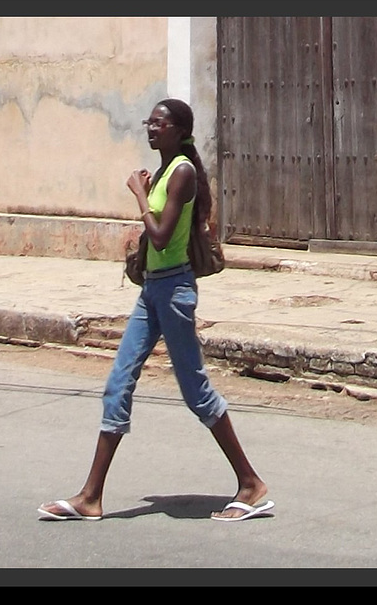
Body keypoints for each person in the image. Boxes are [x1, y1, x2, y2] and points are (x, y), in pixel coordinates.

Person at [38, 99, 273, 522]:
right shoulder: (167, 170)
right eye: (149, 122)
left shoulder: (181, 171)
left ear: (179, 131)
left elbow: (162, 237)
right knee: (118, 383)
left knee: (196, 392)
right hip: (153, 292)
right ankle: (90, 497)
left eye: (159, 123)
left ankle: (251, 484)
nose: (150, 128)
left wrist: (140, 196)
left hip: (175, 292)